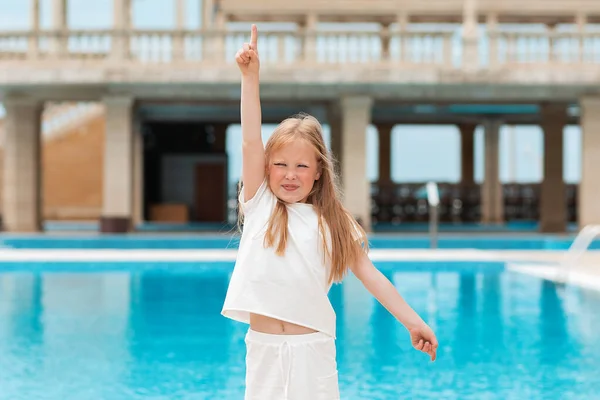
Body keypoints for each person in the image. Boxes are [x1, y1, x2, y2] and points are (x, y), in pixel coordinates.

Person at [221, 24, 438, 400]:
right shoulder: (260, 203)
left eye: (302, 167)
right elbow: (250, 138)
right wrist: (250, 78)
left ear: (319, 171)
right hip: (264, 347)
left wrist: (412, 321)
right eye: (281, 165)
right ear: (267, 167)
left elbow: (372, 277)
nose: (290, 175)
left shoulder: (333, 221)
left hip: (313, 349)